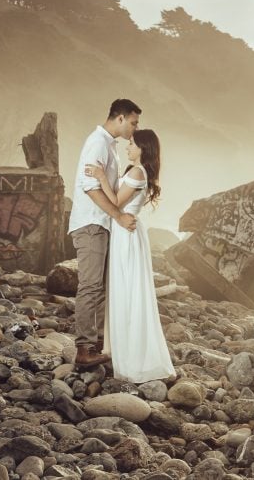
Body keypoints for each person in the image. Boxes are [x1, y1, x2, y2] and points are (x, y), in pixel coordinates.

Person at [85, 129, 176, 383]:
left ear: (143, 149)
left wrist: (101, 176)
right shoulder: (134, 170)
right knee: (124, 290)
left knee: (127, 291)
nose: (128, 147)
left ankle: (132, 359)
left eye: (132, 144)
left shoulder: (137, 172)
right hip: (125, 232)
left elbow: (114, 200)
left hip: (126, 234)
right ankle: (122, 351)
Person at [68, 99, 141, 369]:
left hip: (101, 224)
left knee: (99, 287)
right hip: (91, 223)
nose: (135, 128)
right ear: (119, 118)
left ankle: (98, 343)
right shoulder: (97, 143)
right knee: (89, 285)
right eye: (133, 122)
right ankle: (84, 349)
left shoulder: (109, 145)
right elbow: (90, 187)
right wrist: (119, 216)